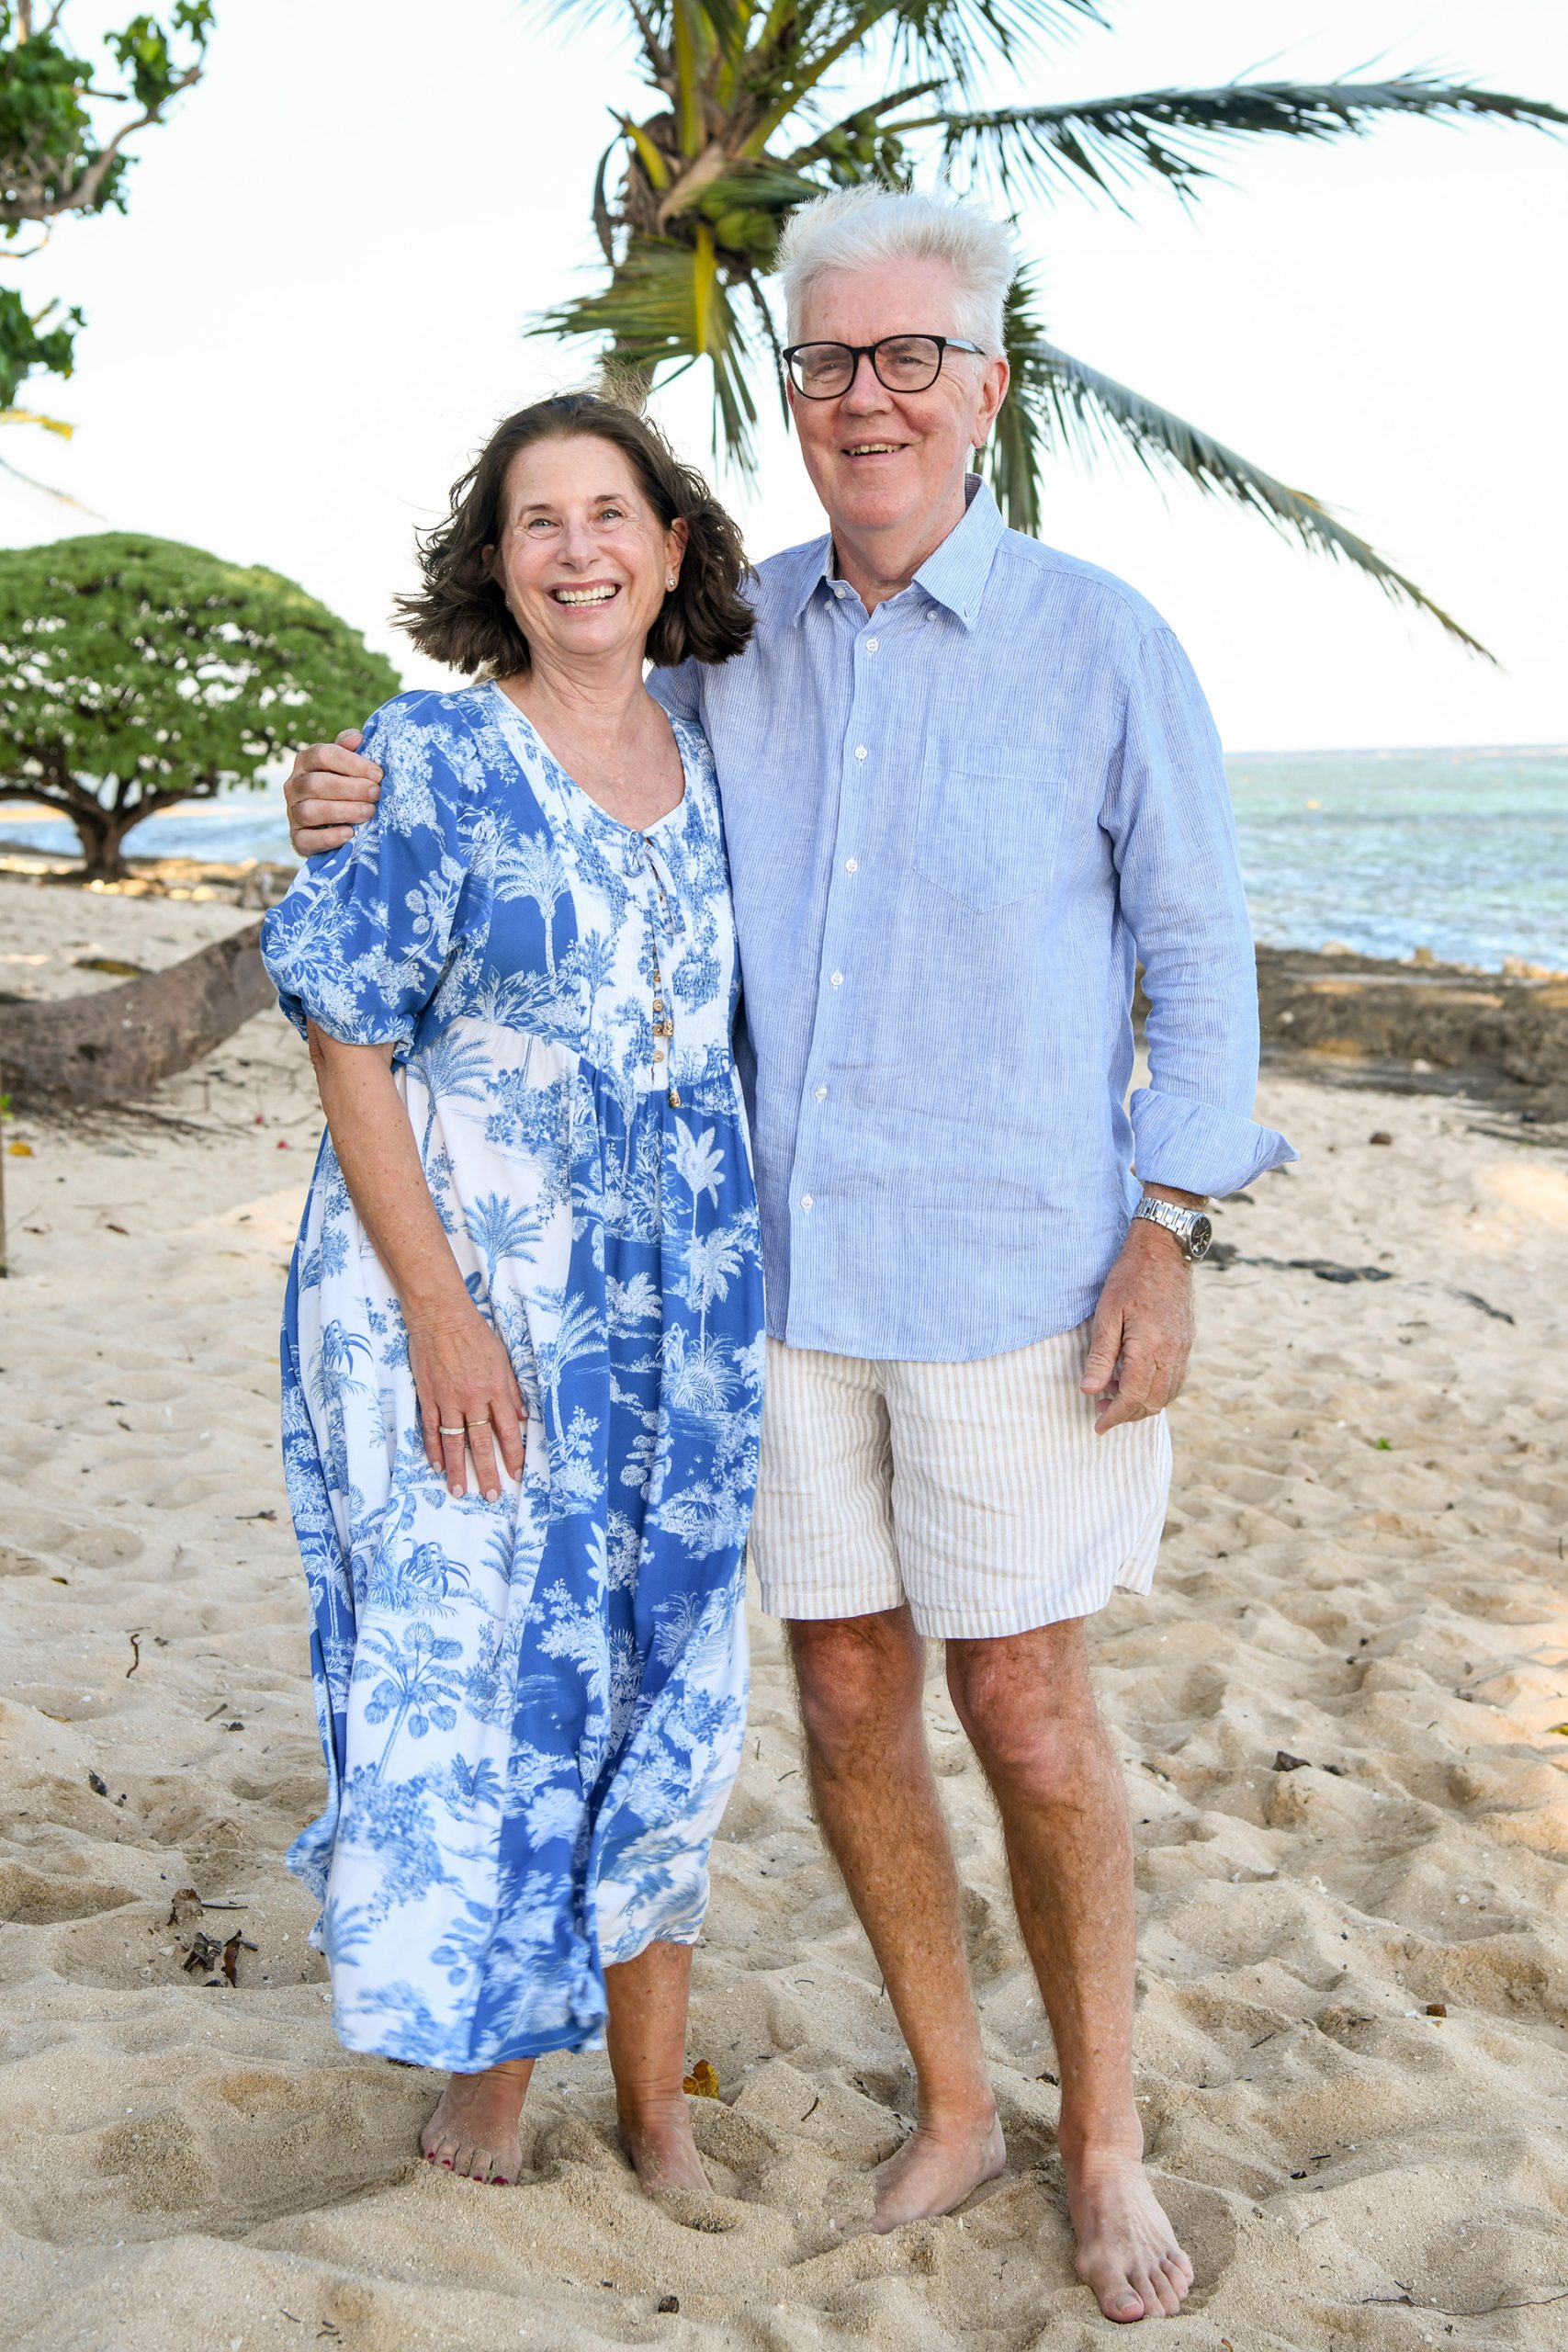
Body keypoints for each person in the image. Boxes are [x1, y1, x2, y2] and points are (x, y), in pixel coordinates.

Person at [283, 188, 1294, 2324]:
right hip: (776, 1296)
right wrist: (342, 791)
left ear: (986, 387)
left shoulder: (1103, 641)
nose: (866, 397)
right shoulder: (735, 654)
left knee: (1025, 1705)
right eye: (828, 361)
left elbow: (1200, 958)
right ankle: (957, 2102)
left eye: (909, 356)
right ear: (793, 393)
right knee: (841, 1688)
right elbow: (550, 755)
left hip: (1025, 1280)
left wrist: (1169, 1227)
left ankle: (1101, 2139)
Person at [261, 395, 764, 2197]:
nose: (576, 550)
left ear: (672, 546)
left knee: (668, 1690)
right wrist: (442, 1314)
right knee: (497, 1690)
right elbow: (346, 1027)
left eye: (608, 513)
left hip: (681, 1320)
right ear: (497, 562)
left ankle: (654, 2104)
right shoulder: (434, 756)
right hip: (464, 1302)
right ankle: (491, 2077)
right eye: (536, 521)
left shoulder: (726, 757)